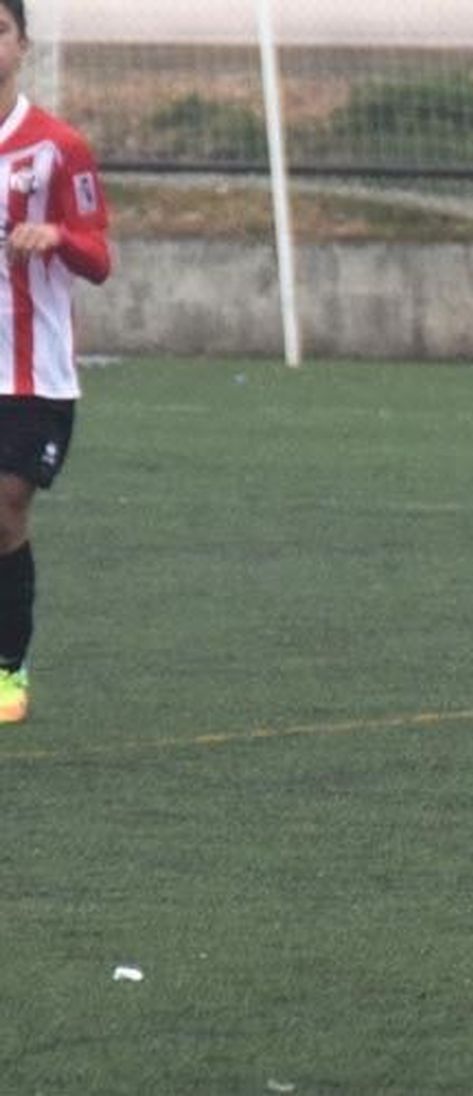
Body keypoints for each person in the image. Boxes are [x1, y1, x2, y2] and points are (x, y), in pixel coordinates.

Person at [0, 0, 113, 725]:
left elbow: (100, 257)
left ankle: (8, 670)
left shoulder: (57, 147)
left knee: (4, 508)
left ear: (21, 44)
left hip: (35, 376)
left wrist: (56, 239)